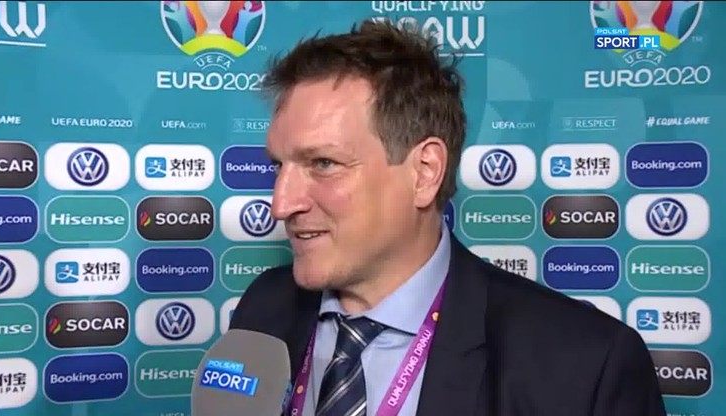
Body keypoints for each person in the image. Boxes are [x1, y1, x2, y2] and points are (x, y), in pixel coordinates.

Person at [228, 19, 667, 416]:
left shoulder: (585, 367)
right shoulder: (265, 309)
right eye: (278, 166)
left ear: (424, 172)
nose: (281, 204)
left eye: (323, 163)